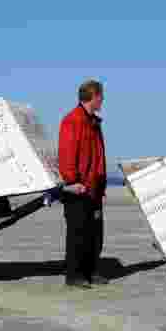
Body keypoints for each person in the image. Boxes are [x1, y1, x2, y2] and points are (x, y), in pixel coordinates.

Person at [58, 79, 108, 289]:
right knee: (78, 233)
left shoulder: (93, 122)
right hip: (78, 188)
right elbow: (67, 152)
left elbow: (99, 157)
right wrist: (72, 181)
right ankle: (75, 275)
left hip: (94, 188)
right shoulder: (73, 120)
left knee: (95, 233)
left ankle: (91, 271)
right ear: (93, 96)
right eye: (101, 96)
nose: (103, 100)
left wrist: (102, 187)